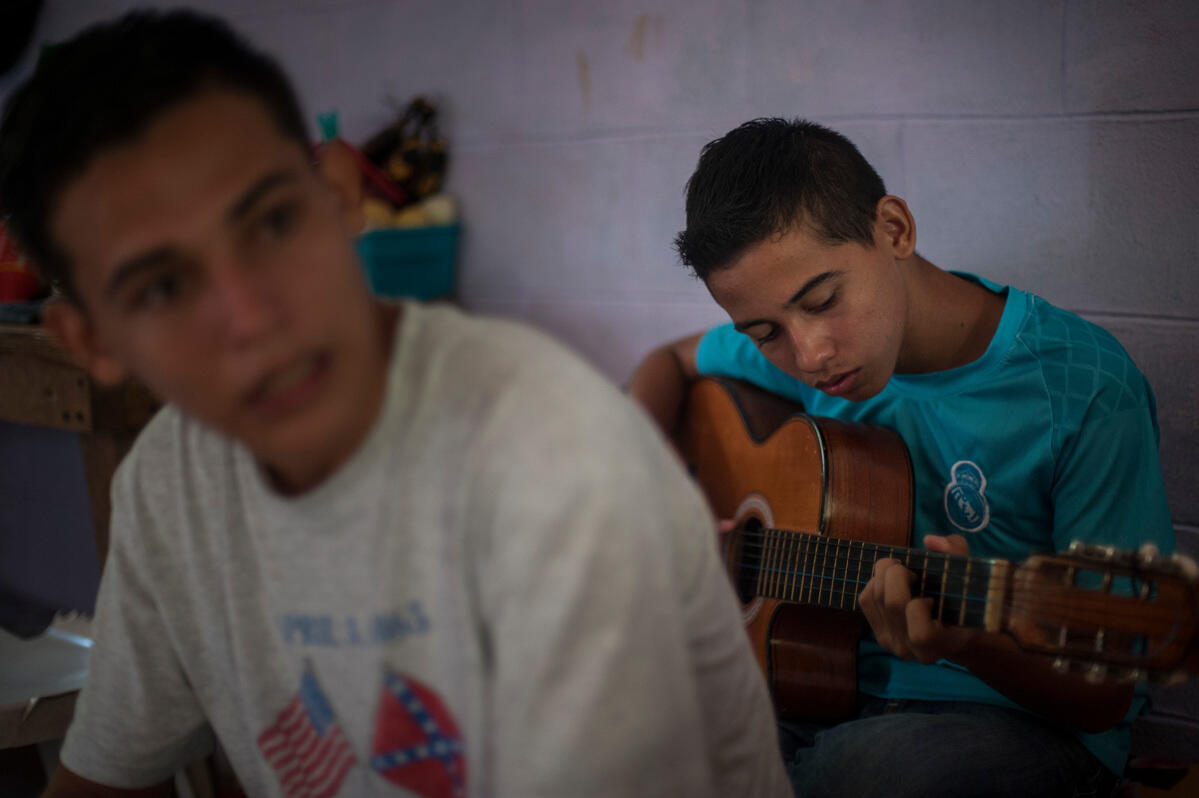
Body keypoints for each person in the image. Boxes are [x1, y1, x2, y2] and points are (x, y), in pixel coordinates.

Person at [0, 12, 791, 797]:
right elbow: (105, 777)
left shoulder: (557, 460)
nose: (252, 318)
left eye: (273, 223)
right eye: (164, 287)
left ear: (340, 195)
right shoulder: (171, 481)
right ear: (89, 341)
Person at [628, 118, 1176, 798]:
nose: (809, 355)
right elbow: (668, 362)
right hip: (814, 683)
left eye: (823, 301)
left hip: (1016, 721)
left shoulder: (1085, 388)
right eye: (766, 333)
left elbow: (1106, 696)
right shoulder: (804, 350)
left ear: (893, 230)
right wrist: (639, 484)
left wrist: (972, 644)